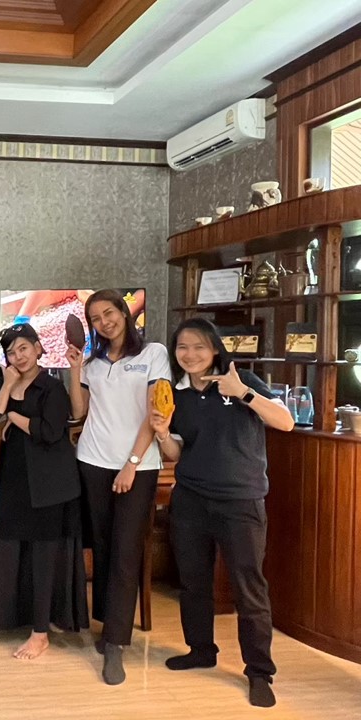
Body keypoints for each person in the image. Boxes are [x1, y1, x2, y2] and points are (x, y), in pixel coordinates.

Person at [150, 318, 293, 709]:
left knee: (249, 587)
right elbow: (178, 453)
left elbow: (285, 421)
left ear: (215, 348)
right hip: (191, 499)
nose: (190, 354)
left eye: (199, 346)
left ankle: (259, 672)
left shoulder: (241, 379)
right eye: (182, 347)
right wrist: (162, 433)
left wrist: (243, 393)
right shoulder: (176, 393)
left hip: (241, 501)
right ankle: (201, 650)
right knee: (193, 582)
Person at [65, 288, 170, 686]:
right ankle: (108, 625)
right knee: (105, 548)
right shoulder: (93, 363)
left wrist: (132, 464)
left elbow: (155, 413)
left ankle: (115, 645)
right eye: (95, 318)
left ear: (124, 313)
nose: (104, 322)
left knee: (127, 552)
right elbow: (80, 411)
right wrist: (75, 369)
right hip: (92, 461)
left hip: (137, 467)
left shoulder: (153, 354)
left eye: (108, 313)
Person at [0, 324, 88, 659]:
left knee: (44, 557)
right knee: (11, 551)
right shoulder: (6, 383)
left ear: (39, 348)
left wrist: (14, 416)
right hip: (14, 480)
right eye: (12, 352)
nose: (19, 356)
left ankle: (40, 633)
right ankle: (19, 619)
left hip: (49, 483)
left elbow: (50, 431)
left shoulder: (51, 387)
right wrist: (7, 387)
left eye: (24, 348)